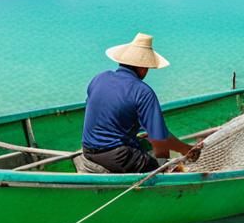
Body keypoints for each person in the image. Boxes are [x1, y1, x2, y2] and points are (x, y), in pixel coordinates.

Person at [80, 33, 198, 173]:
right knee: (162, 162)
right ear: (143, 68)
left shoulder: (99, 78)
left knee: (144, 140)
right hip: (119, 157)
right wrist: (180, 153)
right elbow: (160, 138)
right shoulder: (143, 92)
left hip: (87, 150)